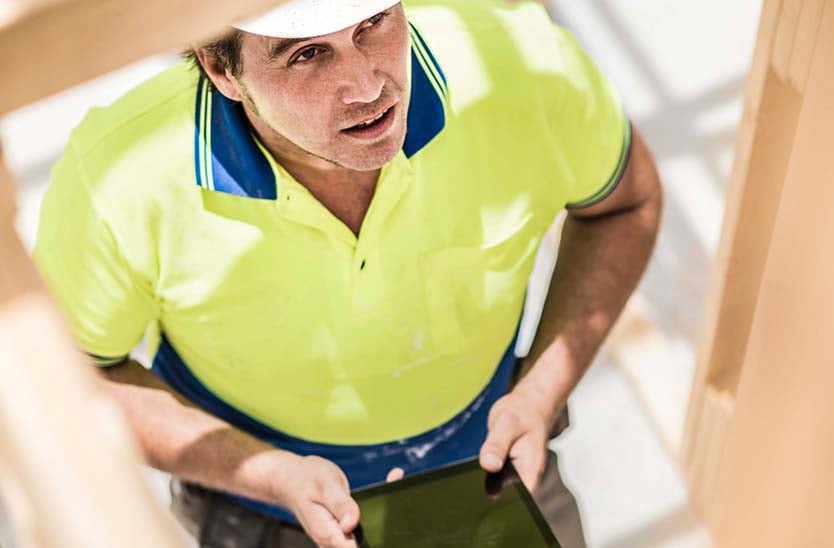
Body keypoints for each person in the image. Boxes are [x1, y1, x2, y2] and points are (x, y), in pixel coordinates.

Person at [34, 0, 661, 546]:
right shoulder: (117, 179)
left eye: (373, 24)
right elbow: (72, 379)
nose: (368, 87)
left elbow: (625, 202)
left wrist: (541, 389)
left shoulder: (527, 72)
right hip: (268, 509)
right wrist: (267, 472)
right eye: (307, 54)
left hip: (501, 455)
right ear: (222, 68)